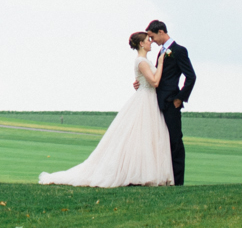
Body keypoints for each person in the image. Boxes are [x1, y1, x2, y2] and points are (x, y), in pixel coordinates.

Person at [37, 31, 173, 187]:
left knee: (146, 138)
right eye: (148, 40)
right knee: (138, 137)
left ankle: (146, 173)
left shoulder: (145, 61)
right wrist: (161, 63)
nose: (151, 42)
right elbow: (155, 81)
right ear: (141, 44)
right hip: (145, 100)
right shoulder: (141, 61)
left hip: (149, 99)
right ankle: (137, 174)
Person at [145, 21, 196, 185]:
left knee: (175, 142)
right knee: (161, 141)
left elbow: (191, 77)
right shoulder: (162, 51)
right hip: (157, 102)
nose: (151, 41)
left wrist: (179, 98)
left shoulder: (179, 51)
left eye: (152, 37)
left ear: (161, 32)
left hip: (170, 102)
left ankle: (178, 182)